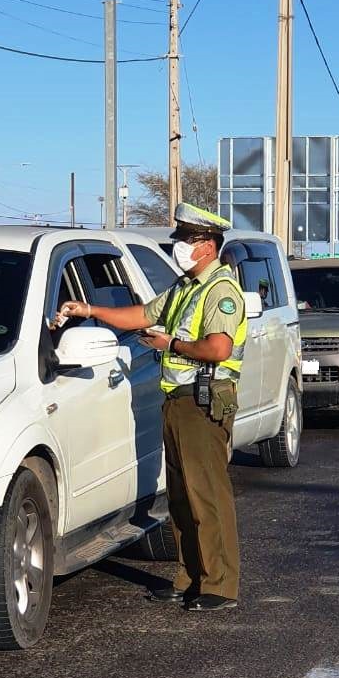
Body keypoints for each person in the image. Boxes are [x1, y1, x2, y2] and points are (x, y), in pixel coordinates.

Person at [56, 203, 246, 612]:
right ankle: (190, 577)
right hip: (178, 400)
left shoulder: (220, 292)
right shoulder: (185, 288)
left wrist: (170, 345)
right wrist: (88, 310)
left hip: (203, 400)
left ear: (208, 246)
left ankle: (220, 585)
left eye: (187, 240)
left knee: (207, 496)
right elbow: (141, 314)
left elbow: (219, 348)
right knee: (181, 496)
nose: (179, 246)